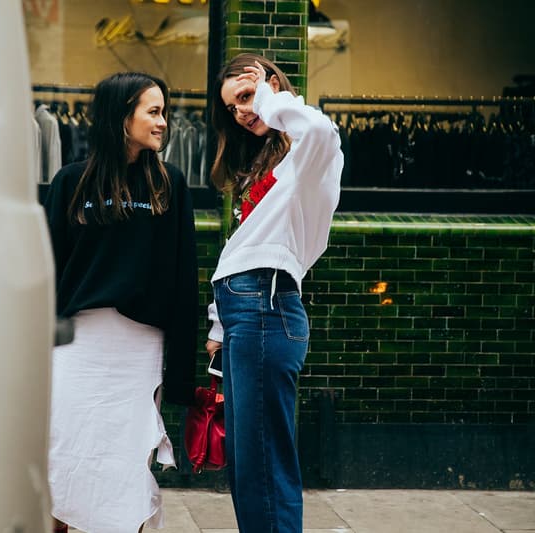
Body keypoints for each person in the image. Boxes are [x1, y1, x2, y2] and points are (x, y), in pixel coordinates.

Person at [44, 72, 199, 533]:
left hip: (138, 350)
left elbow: (182, 279)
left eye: (164, 112)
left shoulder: (169, 185)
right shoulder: (70, 181)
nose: (164, 123)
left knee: (127, 463)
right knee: (63, 455)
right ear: (121, 115)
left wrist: (180, 382)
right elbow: (50, 271)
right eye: (153, 111)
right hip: (76, 348)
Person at [204, 53, 344, 533]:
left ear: (270, 85)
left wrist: (267, 98)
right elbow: (241, 243)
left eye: (244, 97)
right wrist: (218, 325)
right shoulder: (265, 165)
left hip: (266, 307)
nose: (242, 112)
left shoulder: (310, 154)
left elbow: (323, 130)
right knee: (247, 466)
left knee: (265, 463)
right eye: (234, 107)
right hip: (245, 313)